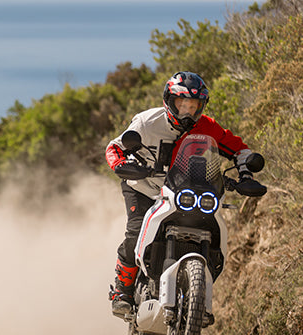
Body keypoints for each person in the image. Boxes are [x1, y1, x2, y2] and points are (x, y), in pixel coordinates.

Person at [104, 71, 265, 318]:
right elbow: (115, 147)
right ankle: (123, 292)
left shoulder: (207, 127)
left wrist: (245, 173)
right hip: (143, 186)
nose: (188, 110)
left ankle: (196, 297)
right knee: (135, 230)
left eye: (194, 105)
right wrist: (121, 165)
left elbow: (240, 150)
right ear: (170, 101)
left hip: (184, 191)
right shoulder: (147, 122)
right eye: (182, 103)